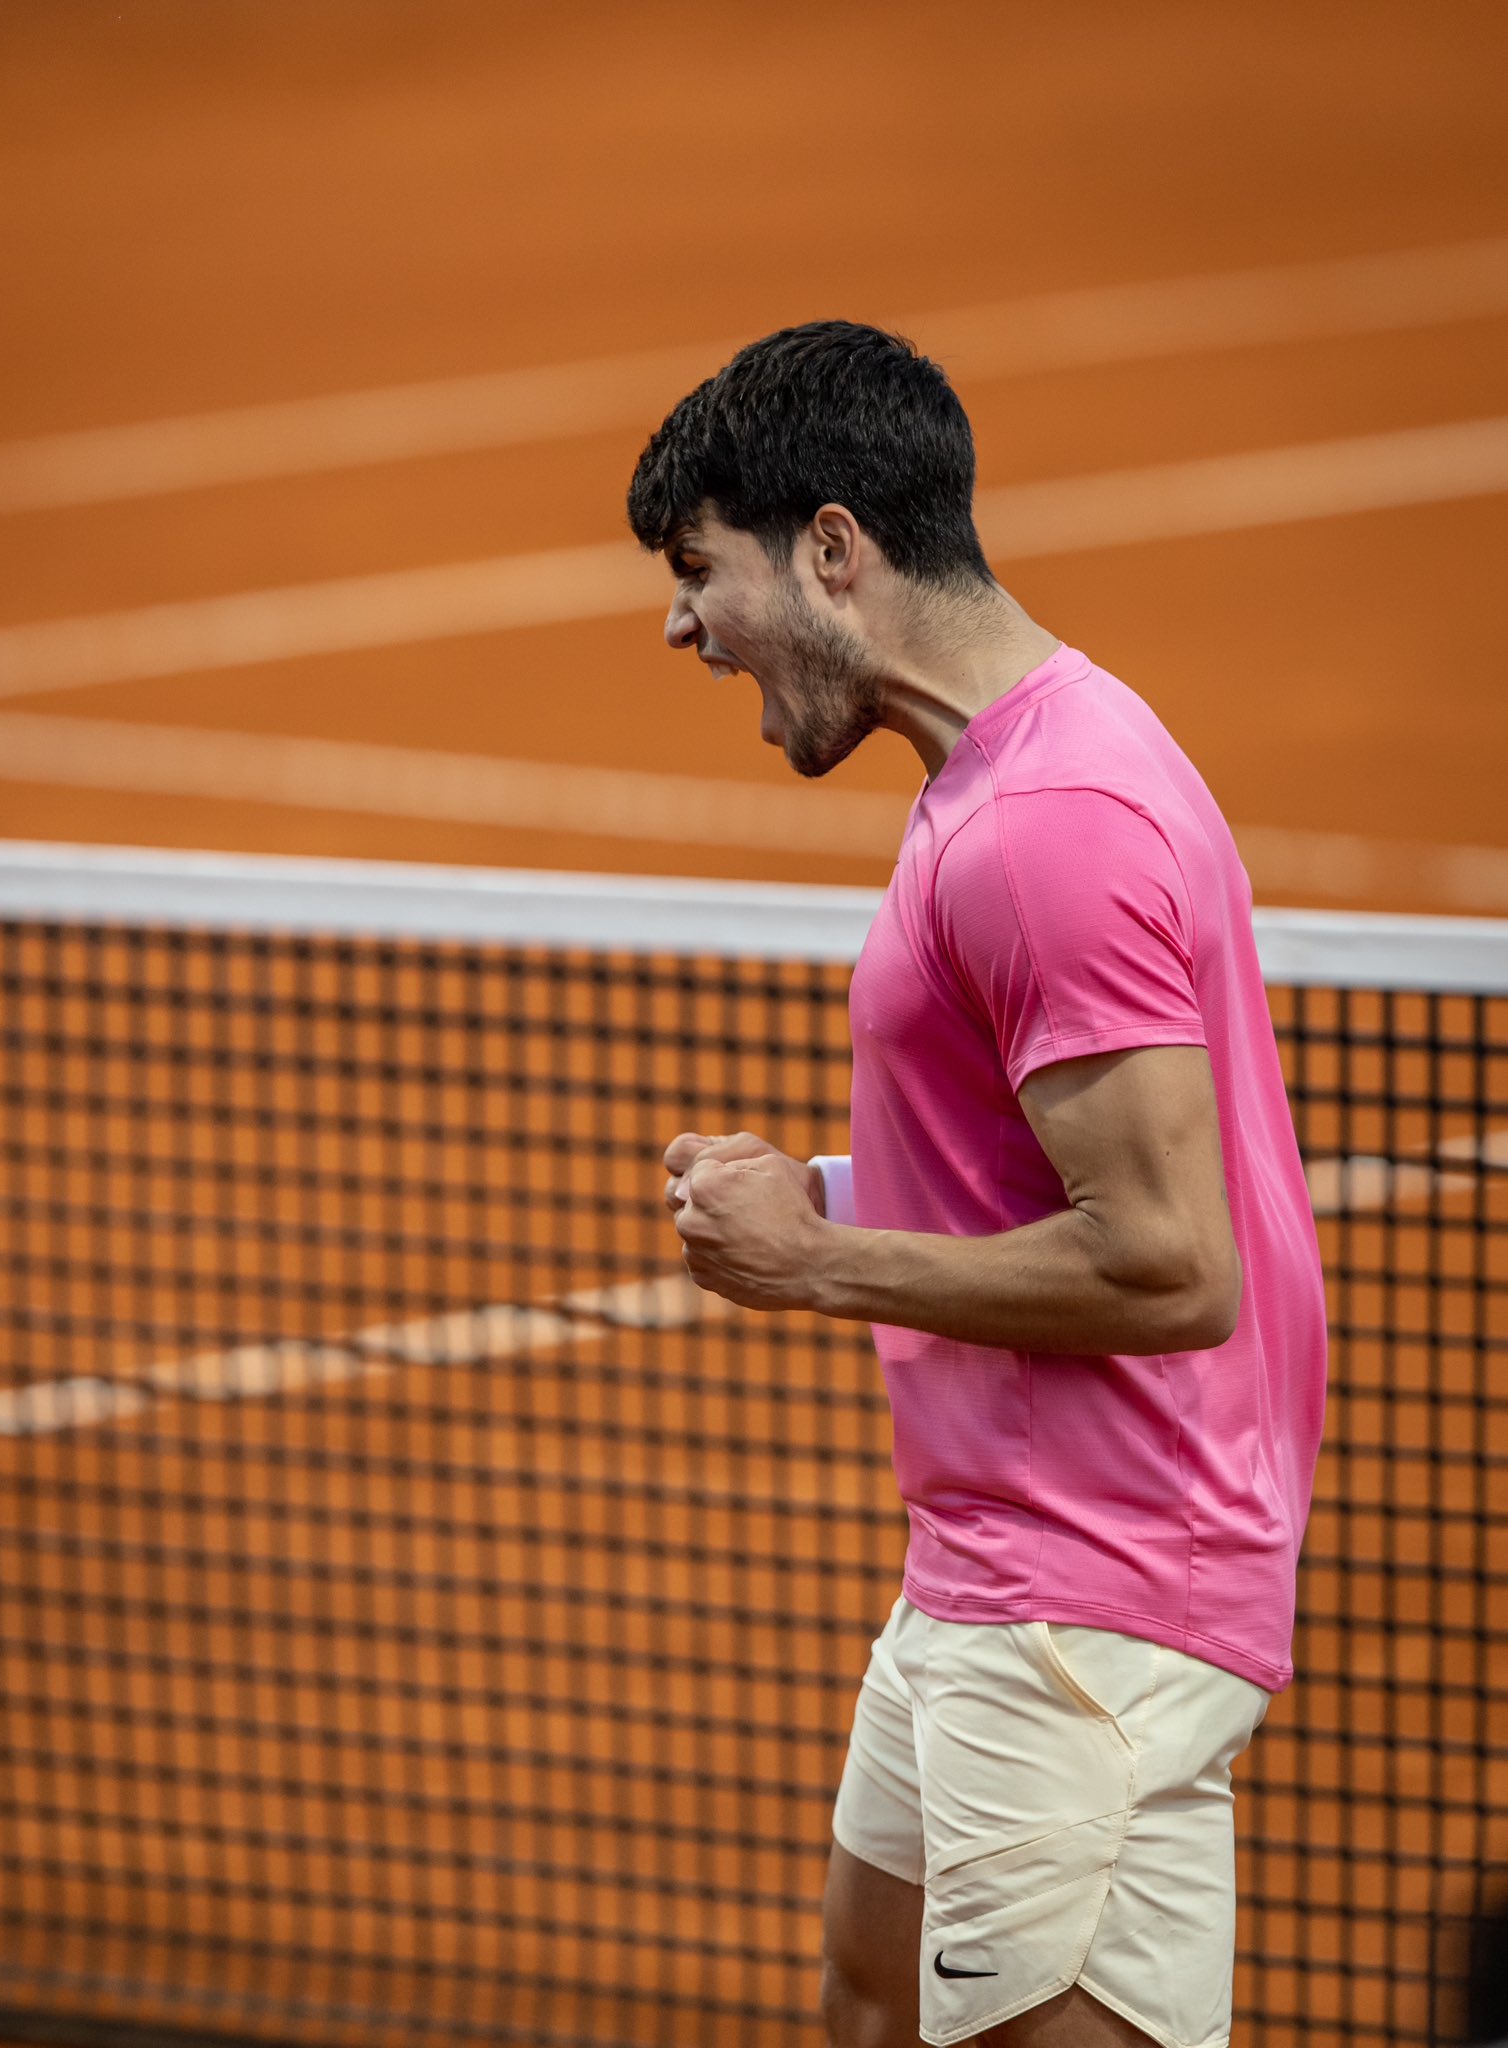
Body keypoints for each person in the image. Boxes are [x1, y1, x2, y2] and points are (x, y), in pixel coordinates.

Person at [626, 322, 1328, 2048]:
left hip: (1094, 1587)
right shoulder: (1010, 762)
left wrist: (820, 1265)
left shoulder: (1046, 825)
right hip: (1000, 1552)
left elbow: (1171, 1267)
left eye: (701, 570)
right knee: (872, 1994)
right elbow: (1046, 1159)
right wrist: (828, 1186)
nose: (681, 626)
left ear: (836, 548)